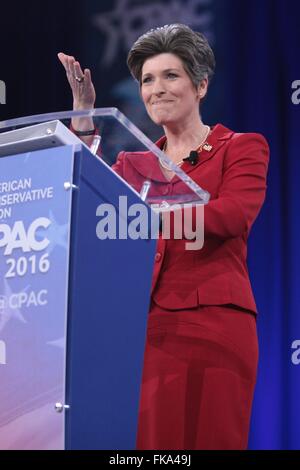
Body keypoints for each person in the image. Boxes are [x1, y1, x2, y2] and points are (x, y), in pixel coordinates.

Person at [58, 23, 269, 450]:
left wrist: (145, 216)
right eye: (147, 80)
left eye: (170, 75)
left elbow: (231, 215)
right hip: (144, 333)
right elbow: (86, 204)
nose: (156, 89)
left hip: (215, 329)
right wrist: (83, 122)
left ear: (201, 85)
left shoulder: (241, 147)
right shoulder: (134, 166)